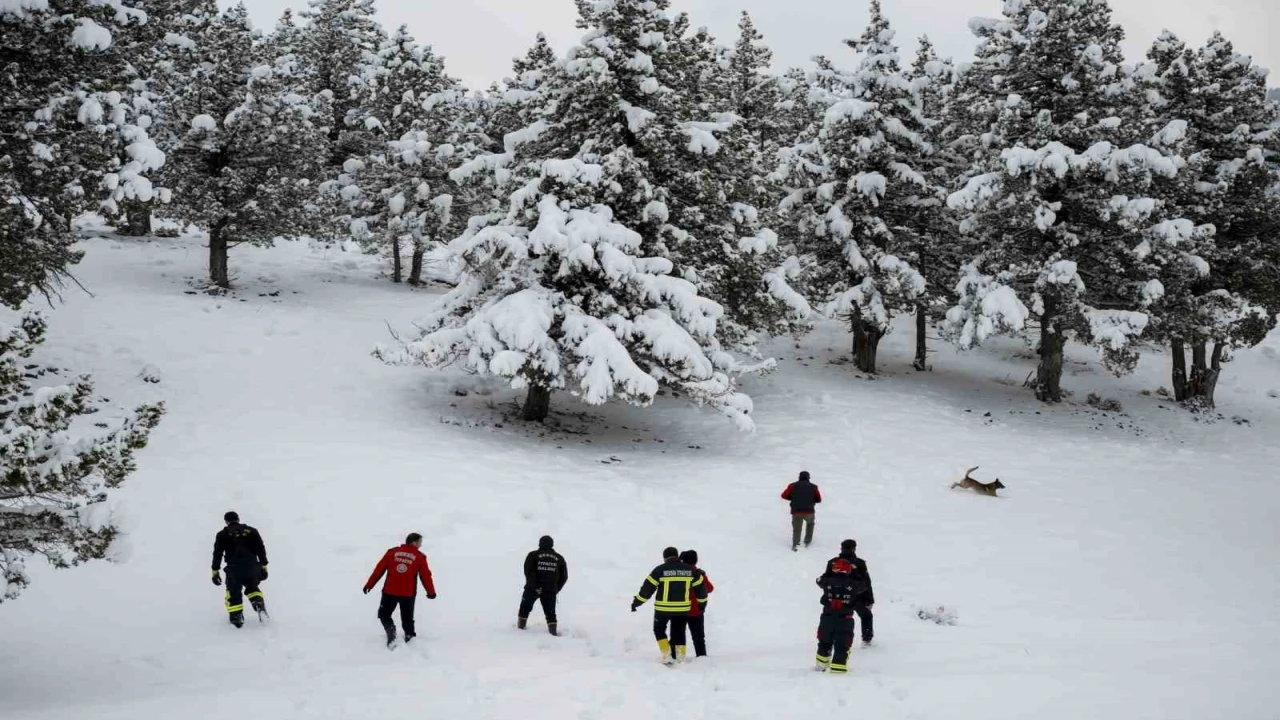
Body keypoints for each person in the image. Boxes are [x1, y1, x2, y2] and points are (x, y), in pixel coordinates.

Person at [631, 547, 708, 665]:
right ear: (677, 556)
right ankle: (680, 659)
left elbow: (647, 590)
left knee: (659, 630)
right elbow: (701, 590)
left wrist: (636, 602)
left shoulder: (659, 570)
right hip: (682, 609)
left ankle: (667, 655)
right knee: (679, 633)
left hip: (662, 609)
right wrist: (702, 604)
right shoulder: (690, 570)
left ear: (665, 557)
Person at [363, 533, 437, 648]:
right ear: (414, 542)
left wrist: (369, 585)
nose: (420, 545)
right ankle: (410, 638)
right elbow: (426, 576)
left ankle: (391, 631)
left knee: (384, 614)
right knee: (407, 618)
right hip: (408, 593)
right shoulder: (419, 557)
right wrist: (431, 592)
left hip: (389, 591)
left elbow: (379, 570)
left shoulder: (392, 552)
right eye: (420, 542)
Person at [211, 511, 269, 628]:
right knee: (253, 588)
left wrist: (215, 571)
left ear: (226, 521)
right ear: (238, 519)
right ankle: (259, 605)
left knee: (233, 593)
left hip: (234, 569)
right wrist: (264, 566)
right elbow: (261, 549)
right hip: (252, 567)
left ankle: (236, 619)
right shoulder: (252, 531)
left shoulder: (222, 534)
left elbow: (217, 554)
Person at [816, 539, 875, 646]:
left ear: (841, 548)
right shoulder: (860, 563)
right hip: (857, 597)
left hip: (834, 598)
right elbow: (866, 582)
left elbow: (825, 578)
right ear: (854, 549)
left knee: (833, 617)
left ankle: (830, 638)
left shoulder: (833, 562)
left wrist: (828, 593)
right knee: (866, 615)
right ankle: (867, 639)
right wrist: (869, 599)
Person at [813, 558, 862, 674]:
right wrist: (855, 571)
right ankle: (838, 667)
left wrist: (830, 569)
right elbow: (863, 584)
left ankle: (821, 666)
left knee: (824, 641)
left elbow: (818, 580)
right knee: (842, 644)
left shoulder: (827, 581)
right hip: (845, 620)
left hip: (827, 618)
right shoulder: (854, 584)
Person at [518, 535, 568, 635]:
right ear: (552, 544)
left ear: (540, 543)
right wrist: (556, 589)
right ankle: (553, 633)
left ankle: (520, 630)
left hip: (532, 589)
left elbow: (528, 572)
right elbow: (564, 576)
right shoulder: (559, 558)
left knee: (525, 608)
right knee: (550, 613)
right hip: (550, 590)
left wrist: (536, 587)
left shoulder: (532, 555)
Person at [679, 550, 714, 658]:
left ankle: (678, 657)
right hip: (695, 610)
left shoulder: (678, 573)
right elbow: (710, 588)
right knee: (698, 636)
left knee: (678, 635)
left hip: (679, 610)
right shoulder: (699, 574)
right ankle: (701, 657)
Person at [781, 471, 822, 551]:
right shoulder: (814, 487)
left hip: (796, 511)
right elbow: (819, 499)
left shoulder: (792, 485)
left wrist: (792, 498)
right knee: (810, 524)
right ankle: (807, 541)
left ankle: (795, 545)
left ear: (799, 477)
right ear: (808, 478)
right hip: (809, 511)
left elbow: (784, 495)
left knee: (797, 528)